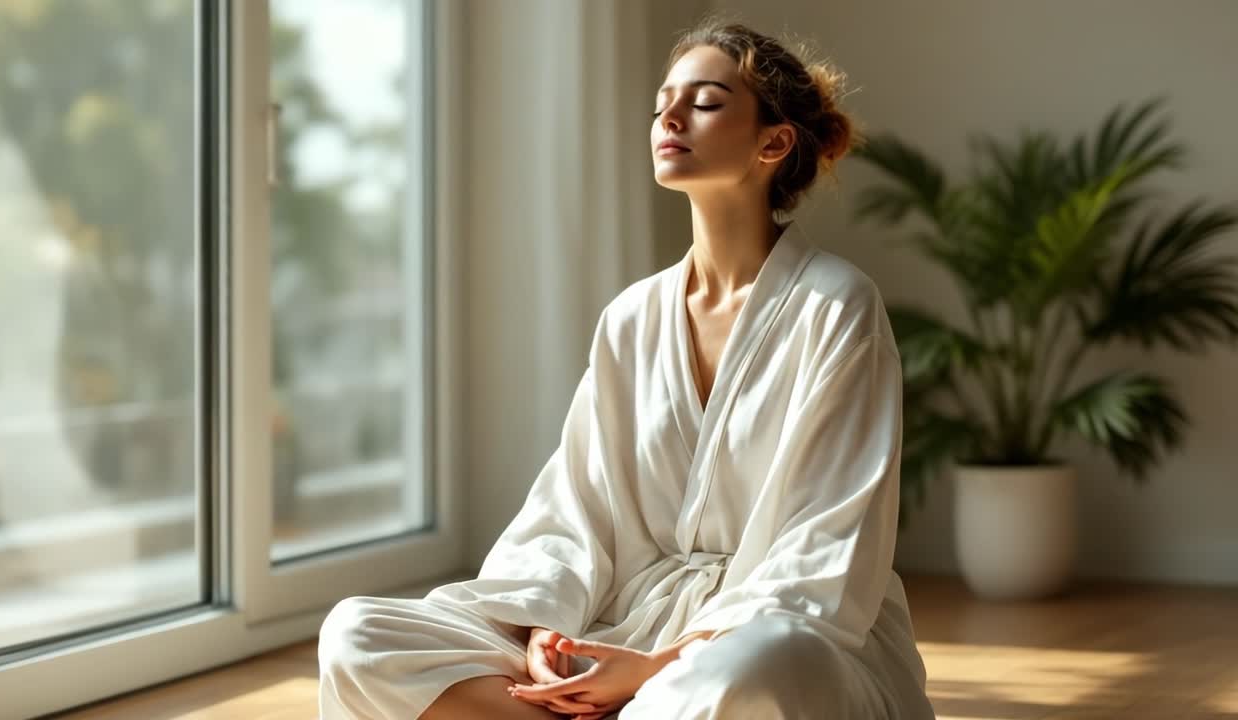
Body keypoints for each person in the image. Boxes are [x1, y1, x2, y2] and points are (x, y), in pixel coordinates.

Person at [319, 16, 936, 720]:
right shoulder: (632, 318)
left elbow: (826, 550)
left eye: (703, 102)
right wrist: (544, 629)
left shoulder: (837, 307)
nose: (668, 116)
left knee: (756, 670)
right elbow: (576, 510)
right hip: (624, 627)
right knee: (359, 635)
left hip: (778, 639)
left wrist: (657, 667)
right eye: (660, 104)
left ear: (774, 141)